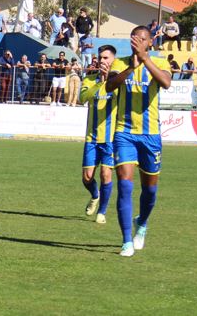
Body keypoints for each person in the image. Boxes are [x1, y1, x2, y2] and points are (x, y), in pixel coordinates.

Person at [104, 25, 172, 257]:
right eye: (134, 38)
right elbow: (109, 85)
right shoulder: (120, 63)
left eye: (142, 39)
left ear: (149, 42)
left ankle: (141, 224)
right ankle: (126, 241)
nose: (137, 42)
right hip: (124, 133)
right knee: (124, 185)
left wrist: (145, 60)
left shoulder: (160, 63)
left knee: (150, 191)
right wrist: (130, 70)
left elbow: (165, 82)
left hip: (150, 135)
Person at [78, 45, 118, 225]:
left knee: (105, 174)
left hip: (110, 139)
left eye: (106, 58)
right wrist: (100, 82)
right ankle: (95, 195)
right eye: (100, 58)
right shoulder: (89, 80)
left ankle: (102, 211)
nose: (102, 61)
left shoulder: (118, 83)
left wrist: (110, 79)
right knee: (87, 177)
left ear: (113, 60)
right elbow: (83, 98)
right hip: (91, 138)